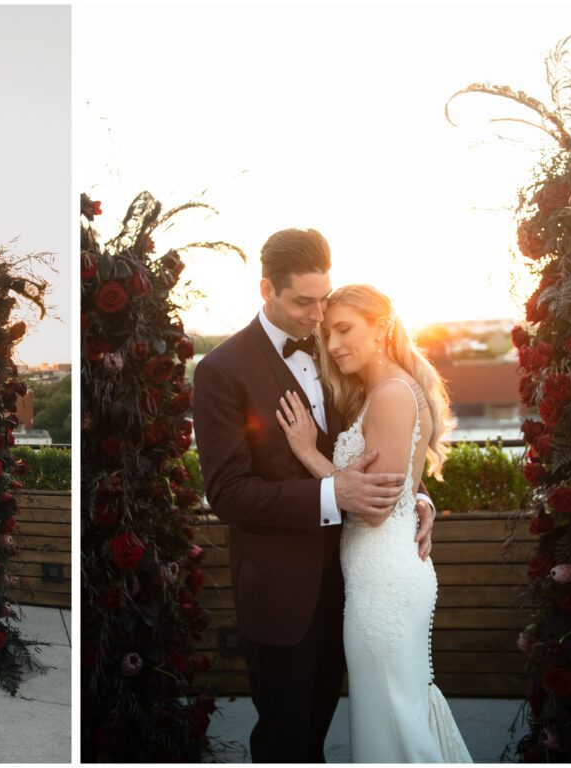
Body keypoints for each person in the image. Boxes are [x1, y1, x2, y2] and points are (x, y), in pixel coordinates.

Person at [192, 228, 436, 763]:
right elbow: (228, 494)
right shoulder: (221, 371)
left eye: (324, 298)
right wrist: (333, 495)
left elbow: (377, 450)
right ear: (266, 290)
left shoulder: (335, 355)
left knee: (326, 736)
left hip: (356, 588)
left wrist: (413, 501)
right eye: (304, 302)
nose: (318, 314)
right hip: (283, 597)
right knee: (286, 743)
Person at [275, 284, 471, 762]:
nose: (334, 344)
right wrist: (421, 501)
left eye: (344, 329)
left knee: (393, 715)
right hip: (378, 575)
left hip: (384, 583)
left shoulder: (389, 393)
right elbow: (401, 486)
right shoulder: (384, 389)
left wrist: (306, 453)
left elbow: (376, 504)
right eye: (327, 334)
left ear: (381, 326)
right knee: (393, 711)